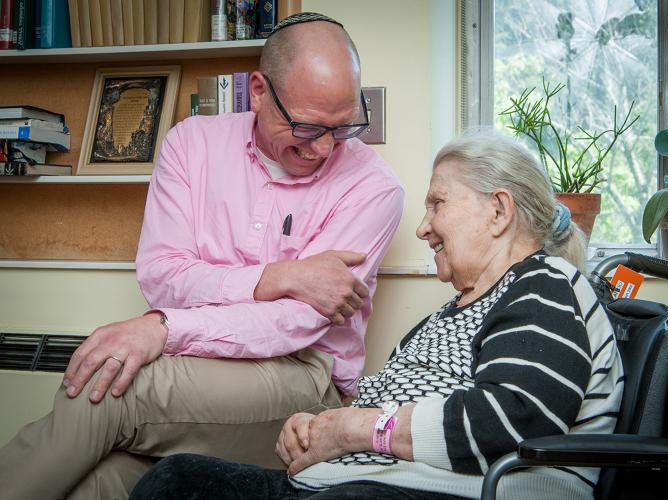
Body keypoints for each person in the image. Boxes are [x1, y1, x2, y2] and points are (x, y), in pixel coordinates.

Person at [0, 13, 404, 500]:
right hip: (197, 365)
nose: (322, 148)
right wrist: (277, 276)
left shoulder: (373, 188)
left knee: (105, 392)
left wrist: (165, 328)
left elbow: (293, 323)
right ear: (258, 90)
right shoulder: (191, 143)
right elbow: (163, 277)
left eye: (341, 129)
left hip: (303, 377)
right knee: (103, 480)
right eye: (305, 126)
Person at [130, 132, 625, 500]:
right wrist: (312, 424)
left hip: (449, 492)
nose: (423, 228)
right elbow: (381, 398)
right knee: (174, 481)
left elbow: (513, 418)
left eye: (437, 204)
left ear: (498, 211)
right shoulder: (447, 315)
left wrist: (351, 431)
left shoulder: (544, 286)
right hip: (358, 483)